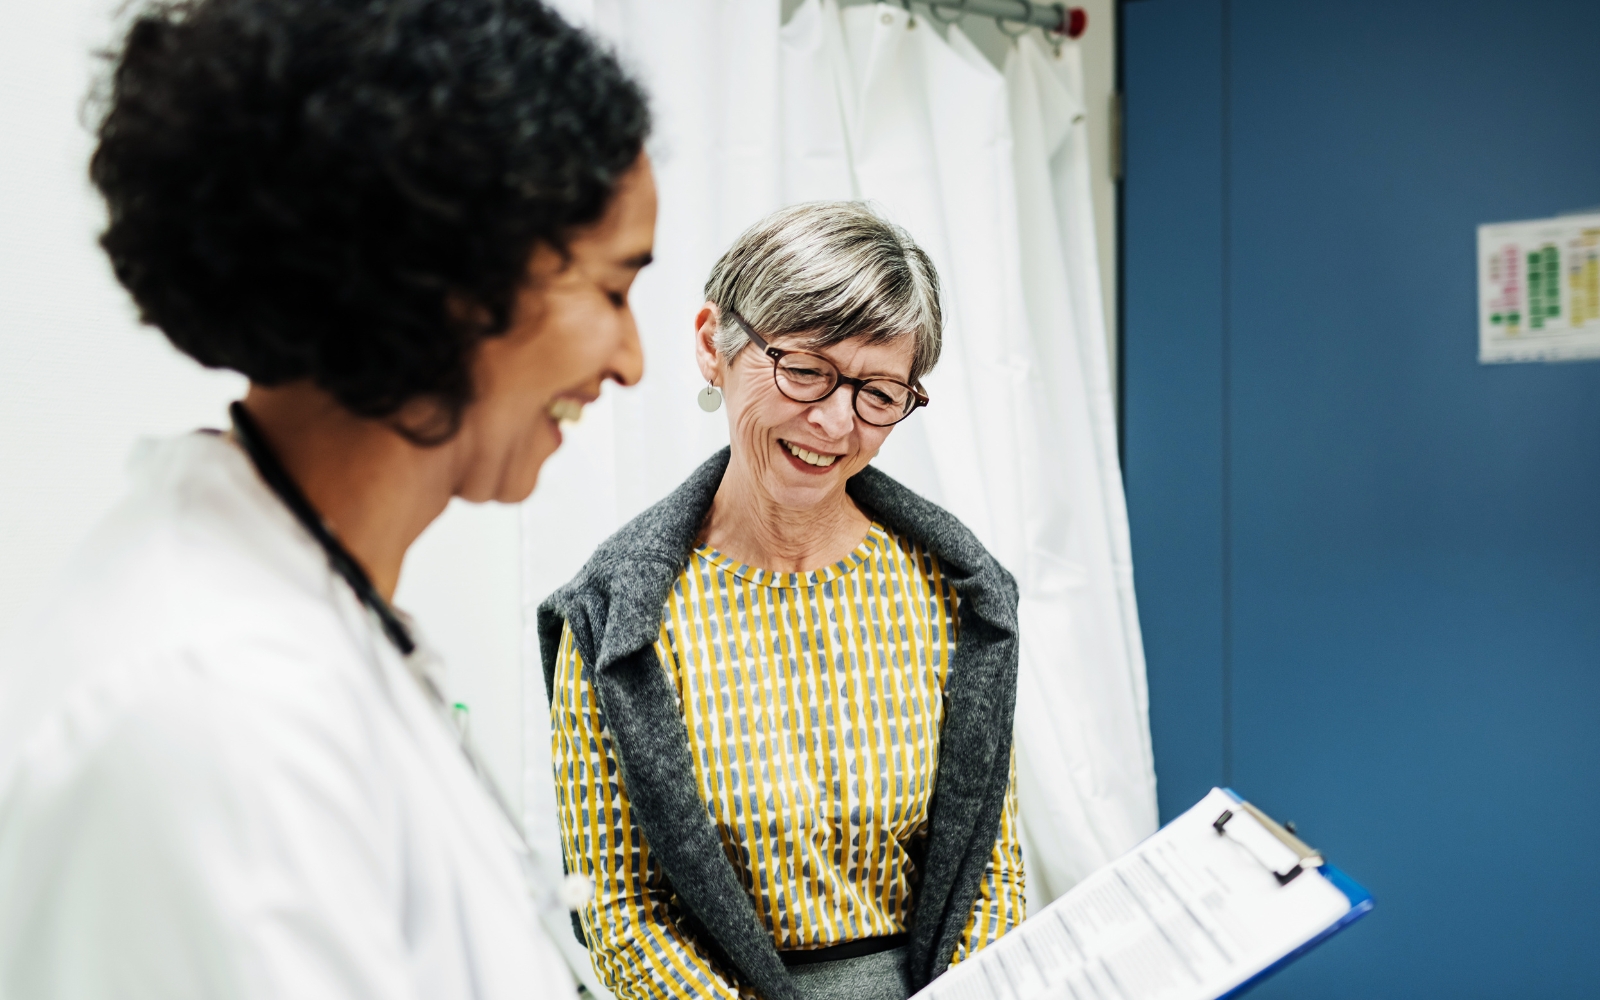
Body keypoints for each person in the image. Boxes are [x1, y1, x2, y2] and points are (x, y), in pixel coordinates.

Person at [0, 1, 654, 997]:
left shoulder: (311, 605)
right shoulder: (215, 703)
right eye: (611, 290)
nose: (630, 361)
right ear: (452, 281)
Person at [540, 203, 1026, 1000]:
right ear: (713, 345)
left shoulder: (957, 593)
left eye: (879, 392)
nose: (835, 423)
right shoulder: (615, 617)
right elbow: (620, 913)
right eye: (805, 369)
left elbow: (989, 869)